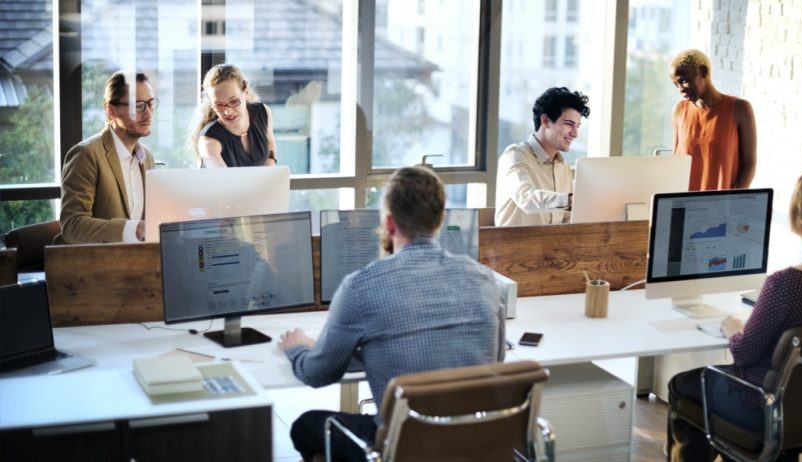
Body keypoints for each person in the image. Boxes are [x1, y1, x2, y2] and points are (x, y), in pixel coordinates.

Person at [278, 166, 505, 462]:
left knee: (305, 425)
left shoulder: (361, 286)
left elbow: (318, 374)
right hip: (473, 444)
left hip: (402, 449)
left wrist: (297, 348)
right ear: (441, 219)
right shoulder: (484, 279)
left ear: (389, 222)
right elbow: (496, 359)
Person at [666, 172, 802, 461]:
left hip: (763, 406)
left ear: (799, 219)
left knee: (682, 385)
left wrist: (734, 329)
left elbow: (744, 353)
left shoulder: (786, 283)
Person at [57, 71, 157, 244]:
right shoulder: (86, 154)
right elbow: (73, 225)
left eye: (150, 104)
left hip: (137, 263)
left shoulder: (147, 157)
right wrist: (135, 229)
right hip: (94, 265)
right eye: (138, 105)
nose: (148, 113)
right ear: (111, 111)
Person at [494, 87, 590, 226]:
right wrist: (569, 201)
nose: (575, 134)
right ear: (545, 121)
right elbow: (526, 198)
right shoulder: (515, 155)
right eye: (569, 124)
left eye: (578, 126)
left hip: (552, 246)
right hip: (514, 246)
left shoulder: (563, 167)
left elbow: (567, 221)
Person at [670, 49, 757, 191]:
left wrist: (735, 200)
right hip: (685, 204)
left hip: (723, 206)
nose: (680, 89)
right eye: (676, 85)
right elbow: (676, 161)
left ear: (703, 72)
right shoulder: (679, 110)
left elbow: (750, 164)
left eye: (684, 81)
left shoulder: (740, 109)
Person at [191, 63, 277, 168]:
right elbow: (226, 182)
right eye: (219, 105)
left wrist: (269, 173)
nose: (228, 112)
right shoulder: (208, 141)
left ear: (245, 92)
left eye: (234, 101)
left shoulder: (263, 113)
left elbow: (270, 143)